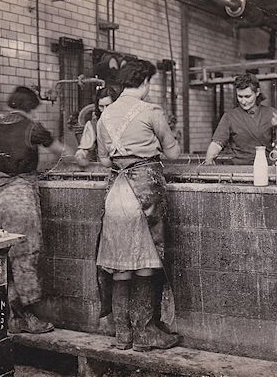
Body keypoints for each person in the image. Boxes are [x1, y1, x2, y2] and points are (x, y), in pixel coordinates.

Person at [95, 59, 181, 352]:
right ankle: (146, 334)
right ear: (144, 82)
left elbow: (105, 161)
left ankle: (123, 336)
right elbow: (172, 153)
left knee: (120, 265)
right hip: (142, 195)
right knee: (145, 263)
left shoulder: (104, 117)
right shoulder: (150, 111)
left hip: (115, 194)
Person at [0, 86, 72, 334]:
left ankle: (11, 317)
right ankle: (30, 316)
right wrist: (84, 156)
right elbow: (61, 151)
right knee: (26, 253)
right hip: (20, 195)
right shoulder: (32, 127)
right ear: (31, 106)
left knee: (3, 254)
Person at [205, 73, 277, 165]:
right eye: (240, 97)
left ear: (257, 92)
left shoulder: (270, 113)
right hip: (239, 169)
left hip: (265, 167)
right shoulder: (230, 116)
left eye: (247, 96)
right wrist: (208, 160)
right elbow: (217, 143)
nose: (243, 101)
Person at [75, 87, 118, 167]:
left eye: (108, 105)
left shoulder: (124, 121)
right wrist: (80, 155)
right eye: (101, 106)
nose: (105, 110)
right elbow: (85, 147)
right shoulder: (93, 125)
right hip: (104, 167)